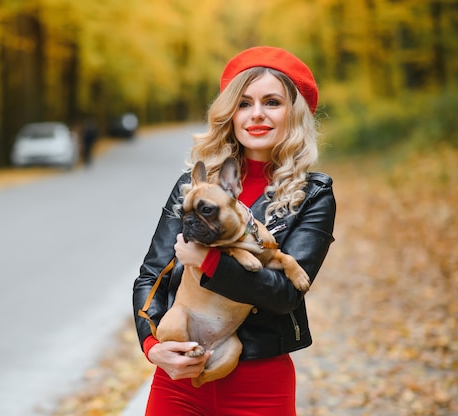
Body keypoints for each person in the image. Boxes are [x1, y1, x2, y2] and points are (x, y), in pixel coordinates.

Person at [132, 46, 336, 415]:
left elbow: (285, 294)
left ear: (294, 113)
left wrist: (210, 262)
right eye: (244, 103)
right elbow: (152, 276)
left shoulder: (313, 194)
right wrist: (153, 346)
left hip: (261, 384)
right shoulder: (195, 187)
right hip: (178, 381)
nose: (256, 114)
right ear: (230, 113)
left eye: (271, 102)